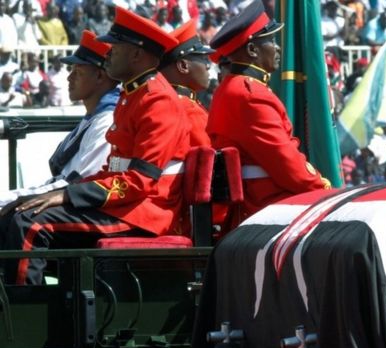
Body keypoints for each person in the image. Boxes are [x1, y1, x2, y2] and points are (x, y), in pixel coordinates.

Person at [0, 7, 189, 285]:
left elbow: (140, 181)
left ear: (137, 55)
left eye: (115, 47)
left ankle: (22, 322)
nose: (108, 53)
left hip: (144, 214)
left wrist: (68, 196)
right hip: (124, 204)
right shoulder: (133, 95)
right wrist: (69, 193)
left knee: (30, 224)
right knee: (13, 216)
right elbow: (115, 170)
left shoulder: (157, 101)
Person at [207, 0, 330, 224]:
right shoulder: (250, 95)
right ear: (252, 50)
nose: (278, 47)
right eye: (271, 40)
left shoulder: (230, 88)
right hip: (267, 206)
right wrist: (323, 186)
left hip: (256, 205)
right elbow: (286, 164)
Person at [0, 30, 118, 210]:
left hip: (76, 203)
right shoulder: (93, 117)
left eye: (77, 72)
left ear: (100, 76)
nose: (69, 78)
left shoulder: (106, 121)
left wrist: (23, 197)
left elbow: (78, 182)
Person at [159, 19, 212, 147]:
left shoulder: (168, 102)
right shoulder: (187, 109)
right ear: (183, 65)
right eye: (203, 59)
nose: (208, 66)